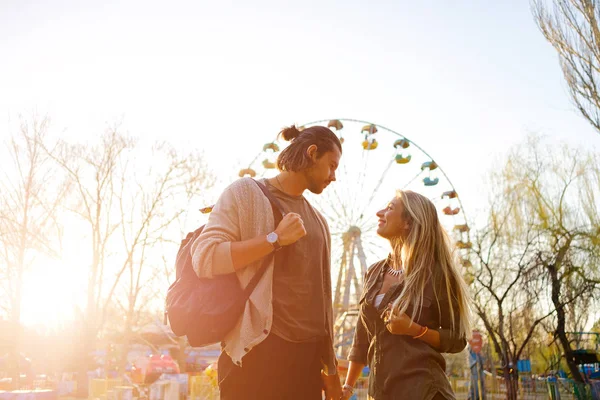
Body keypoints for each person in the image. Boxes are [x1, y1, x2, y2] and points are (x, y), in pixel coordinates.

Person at [191, 124, 343, 400]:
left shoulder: (319, 222)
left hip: (306, 364)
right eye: (331, 165)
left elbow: (323, 303)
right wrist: (274, 239)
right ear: (312, 153)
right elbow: (205, 257)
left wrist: (330, 370)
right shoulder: (246, 194)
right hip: (257, 354)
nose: (334, 176)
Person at [341, 190, 472, 400]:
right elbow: (361, 339)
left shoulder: (436, 274)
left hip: (423, 391)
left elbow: (457, 339)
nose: (379, 213)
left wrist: (414, 329)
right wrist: (347, 386)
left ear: (408, 223)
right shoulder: (373, 273)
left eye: (390, 208)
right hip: (380, 393)